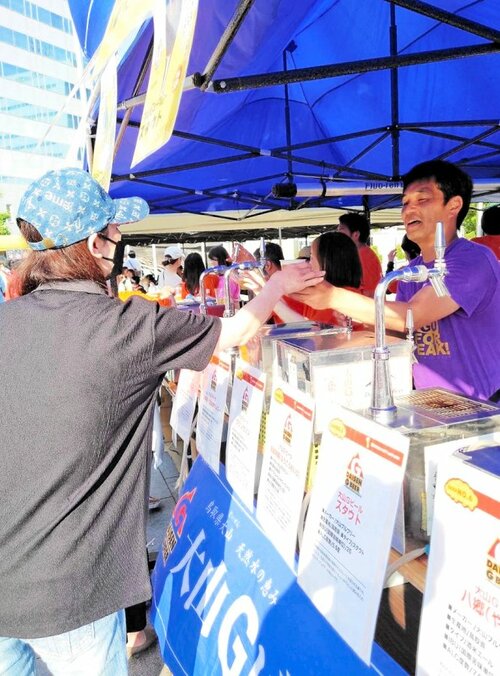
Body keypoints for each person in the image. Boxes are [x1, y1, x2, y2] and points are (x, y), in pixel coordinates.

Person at [0, 167, 324, 674]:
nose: (120, 240)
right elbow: (236, 330)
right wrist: (278, 283)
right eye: (115, 231)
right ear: (96, 244)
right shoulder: (129, 326)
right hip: (70, 589)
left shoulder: (8, 318)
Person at [292, 159, 500, 403]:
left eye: (422, 200)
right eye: (405, 203)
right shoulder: (410, 271)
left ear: (453, 205)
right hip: (428, 403)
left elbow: (412, 315)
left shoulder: (473, 258)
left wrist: (333, 297)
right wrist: (361, 321)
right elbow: (402, 333)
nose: (409, 210)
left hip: (480, 405)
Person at [272, 232, 364, 329]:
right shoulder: (320, 293)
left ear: (327, 262)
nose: (308, 264)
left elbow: (312, 334)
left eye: (311, 257)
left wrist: (270, 298)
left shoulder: (342, 297)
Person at [337, 212, 383, 297]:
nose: (337, 235)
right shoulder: (358, 255)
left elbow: (372, 294)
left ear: (356, 234)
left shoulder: (365, 258)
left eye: (341, 230)